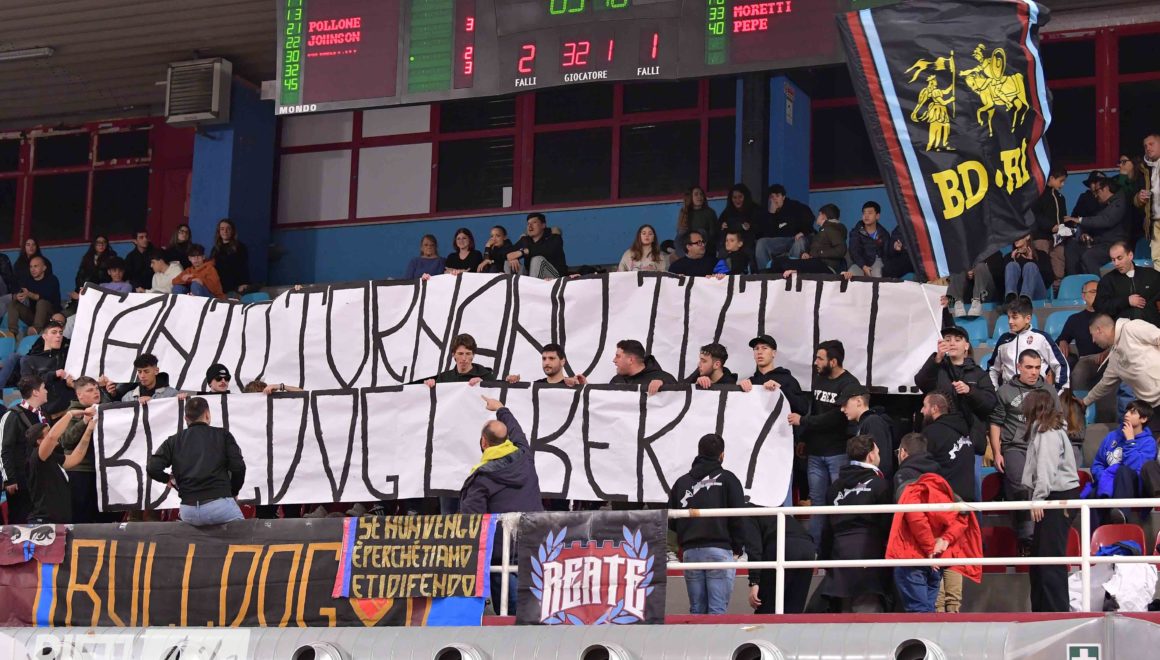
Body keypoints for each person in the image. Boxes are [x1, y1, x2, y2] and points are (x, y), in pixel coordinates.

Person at [460, 396, 543, 614]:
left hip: (501, 554)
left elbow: (471, 522)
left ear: (483, 443)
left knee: (510, 617)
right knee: (535, 610)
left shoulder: (481, 479)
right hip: (535, 545)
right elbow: (517, 432)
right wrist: (501, 408)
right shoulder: (525, 457)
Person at [668, 433, 755, 615]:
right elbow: (739, 518)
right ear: (722, 455)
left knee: (697, 611)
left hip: (691, 553)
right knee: (717, 611)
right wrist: (737, 548)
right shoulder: (729, 479)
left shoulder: (682, 482)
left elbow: (672, 522)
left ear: (699, 452)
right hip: (720, 550)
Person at [790, 339, 861, 542]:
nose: (816, 362)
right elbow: (814, 409)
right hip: (815, 453)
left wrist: (803, 421)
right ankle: (816, 549)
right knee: (817, 502)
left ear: (833, 361)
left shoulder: (849, 384)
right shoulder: (819, 379)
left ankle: (838, 546)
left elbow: (835, 418)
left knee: (839, 500)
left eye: (820, 358)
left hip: (837, 453)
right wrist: (804, 438)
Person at [886, 464, 982, 613]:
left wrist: (930, 548)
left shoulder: (911, 492)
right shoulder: (948, 495)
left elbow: (917, 520)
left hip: (914, 559)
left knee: (920, 612)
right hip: (936, 561)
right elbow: (963, 517)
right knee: (930, 612)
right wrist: (945, 539)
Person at [990, 350, 1060, 545]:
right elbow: (995, 423)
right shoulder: (1005, 391)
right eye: (1029, 367)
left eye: (1037, 367)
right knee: (1022, 485)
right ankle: (1026, 537)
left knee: (1045, 487)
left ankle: (1039, 537)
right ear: (1018, 367)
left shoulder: (1049, 391)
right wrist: (996, 453)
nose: (1034, 372)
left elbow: (1058, 421)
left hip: (1042, 447)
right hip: (1015, 447)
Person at [1020, 389, 1080, 612]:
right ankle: (1042, 610)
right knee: (1039, 559)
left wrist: (1039, 498)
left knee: (1049, 558)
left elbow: (1047, 467)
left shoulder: (1047, 432)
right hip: (1053, 496)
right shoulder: (1044, 429)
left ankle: (1056, 612)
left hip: (1057, 497)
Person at [818, 434, 893, 613]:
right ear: (871, 456)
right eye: (878, 452)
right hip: (869, 560)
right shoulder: (880, 485)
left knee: (843, 621)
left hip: (839, 562)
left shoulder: (834, 487)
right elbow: (887, 526)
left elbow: (826, 528)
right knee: (869, 621)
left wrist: (825, 559)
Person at [147, 396, 246, 526]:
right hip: (219, 506)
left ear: (186, 419)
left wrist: (167, 479)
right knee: (245, 535)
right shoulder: (223, 435)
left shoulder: (173, 441)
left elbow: (152, 468)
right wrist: (233, 492)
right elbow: (238, 467)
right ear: (207, 414)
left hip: (188, 511)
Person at [914, 324, 997, 457]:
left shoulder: (979, 374)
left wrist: (970, 391)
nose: (952, 343)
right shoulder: (937, 368)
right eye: (947, 339)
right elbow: (920, 382)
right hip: (939, 439)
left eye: (957, 340)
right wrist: (937, 358)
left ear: (966, 346)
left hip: (970, 440)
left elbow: (990, 404)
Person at [1081, 315, 1160, 437]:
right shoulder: (1114, 357)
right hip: (1149, 408)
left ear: (1099, 330)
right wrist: (1085, 401)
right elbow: (1104, 384)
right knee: (1149, 444)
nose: (1093, 340)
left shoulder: (1131, 328)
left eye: (1092, 335)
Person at [1088, 400, 1155, 525]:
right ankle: (1095, 534)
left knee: (1123, 471)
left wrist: (1130, 441)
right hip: (1110, 483)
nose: (1127, 414)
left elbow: (1137, 468)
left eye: (1132, 412)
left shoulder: (1148, 442)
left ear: (1143, 419)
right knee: (1093, 493)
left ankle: (1120, 516)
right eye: (1127, 411)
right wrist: (1104, 478)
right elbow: (1098, 464)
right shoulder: (1111, 436)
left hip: (1135, 488)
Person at [745, 501, 815, 614]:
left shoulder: (747, 511)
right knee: (794, 611)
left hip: (782, 546)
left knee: (766, 610)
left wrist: (754, 582)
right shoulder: (775, 505)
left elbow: (754, 548)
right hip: (807, 547)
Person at [45, 389, 101, 523]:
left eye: (97, 388)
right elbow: (60, 439)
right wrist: (74, 416)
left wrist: (88, 429)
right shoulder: (39, 457)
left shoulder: (55, 457)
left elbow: (76, 456)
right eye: (90, 390)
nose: (96, 392)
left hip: (97, 469)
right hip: (79, 473)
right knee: (80, 514)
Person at [988, 296, 1068, 389]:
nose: (1010, 321)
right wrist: (995, 390)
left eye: (1014, 317)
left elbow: (1060, 365)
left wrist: (1058, 391)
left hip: (1036, 391)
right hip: (1009, 393)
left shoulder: (1041, 338)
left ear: (1028, 319)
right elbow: (993, 369)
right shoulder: (1003, 340)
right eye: (1008, 317)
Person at [0, 376, 49, 525]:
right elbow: (4, 448)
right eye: (44, 388)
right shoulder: (12, 415)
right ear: (35, 392)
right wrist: (9, 479)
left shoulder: (43, 415)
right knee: (20, 521)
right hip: (21, 482)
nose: (47, 391)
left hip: (42, 478)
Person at [26, 415, 93, 524]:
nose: (53, 433)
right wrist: (70, 414)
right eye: (48, 432)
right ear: (39, 441)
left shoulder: (53, 456)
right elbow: (52, 437)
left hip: (60, 520)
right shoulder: (37, 458)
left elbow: (76, 457)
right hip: (44, 521)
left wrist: (89, 430)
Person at [1064, 177, 1128, 275]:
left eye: (1097, 191)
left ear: (1105, 188)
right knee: (1072, 246)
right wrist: (1086, 234)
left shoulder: (1119, 202)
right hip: (1099, 243)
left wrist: (1080, 220)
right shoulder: (1103, 204)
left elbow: (1105, 220)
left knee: (1089, 256)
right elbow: (1095, 222)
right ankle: (1076, 280)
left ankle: (1097, 283)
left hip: (1114, 244)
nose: (1095, 195)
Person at [921, 392, 976, 503]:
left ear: (934, 409)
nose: (921, 410)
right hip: (967, 498)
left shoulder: (931, 432)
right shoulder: (964, 429)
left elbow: (922, 465)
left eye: (924, 406)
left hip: (946, 499)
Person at [737, 335, 810, 414]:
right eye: (756, 348)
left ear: (773, 353)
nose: (759, 352)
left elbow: (803, 409)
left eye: (764, 348)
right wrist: (739, 389)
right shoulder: (751, 382)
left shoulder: (787, 379)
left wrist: (781, 389)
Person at [1095, 242, 1160, 327]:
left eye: (1119, 258)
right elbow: (1100, 306)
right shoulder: (1107, 280)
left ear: (1130, 255)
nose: (1116, 263)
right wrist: (1126, 301)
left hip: (1153, 327)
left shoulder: (1150, 275)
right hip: (1124, 329)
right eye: (1113, 260)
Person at [772, 204, 848, 276]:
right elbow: (822, 246)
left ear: (823, 216)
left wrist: (819, 253)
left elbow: (841, 250)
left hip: (825, 266)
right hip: (818, 264)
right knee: (779, 263)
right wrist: (808, 255)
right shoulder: (825, 230)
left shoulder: (832, 229)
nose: (817, 217)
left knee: (781, 263)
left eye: (819, 214)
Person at [20, 320, 74, 416]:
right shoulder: (29, 360)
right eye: (54, 332)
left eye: (60, 333)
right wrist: (53, 374)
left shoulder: (67, 355)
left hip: (71, 410)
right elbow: (27, 386)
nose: (58, 335)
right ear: (44, 336)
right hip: (46, 414)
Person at [840, 386, 895, 479]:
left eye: (845, 404)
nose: (842, 409)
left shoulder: (873, 422)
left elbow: (882, 460)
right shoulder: (866, 422)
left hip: (874, 483)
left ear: (859, 401)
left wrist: (876, 483)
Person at [1058, 280, 1103, 390]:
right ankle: (1077, 399)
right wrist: (1062, 341)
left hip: (1109, 357)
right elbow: (1062, 338)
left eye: (1099, 291)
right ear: (1083, 296)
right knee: (1079, 372)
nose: (1097, 295)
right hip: (1086, 360)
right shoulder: (1075, 319)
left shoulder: (1110, 315)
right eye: (1093, 292)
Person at [755, 184, 812, 268]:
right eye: (772, 197)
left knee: (800, 242)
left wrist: (803, 232)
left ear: (783, 197)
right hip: (780, 241)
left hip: (795, 238)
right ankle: (765, 272)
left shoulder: (794, 206)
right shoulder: (767, 213)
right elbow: (767, 234)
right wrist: (771, 215)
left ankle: (792, 271)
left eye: (777, 196)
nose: (775, 199)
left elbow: (810, 217)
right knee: (761, 243)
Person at [1031, 166, 1068, 290]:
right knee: (1042, 263)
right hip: (1041, 236)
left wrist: (1065, 228)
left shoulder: (1061, 198)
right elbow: (1035, 215)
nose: (1062, 184)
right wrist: (1051, 226)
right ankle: (1043, 291)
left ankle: (1057, 289)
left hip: (1058, 238)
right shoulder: (1038, 195)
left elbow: (1063, 217)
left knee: (1059, 260)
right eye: (1061, 181)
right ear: (1051, 178)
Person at [9, 256, 61, 336]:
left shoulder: (52, 279)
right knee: (14, 304)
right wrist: (18, 296)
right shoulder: (28, 280)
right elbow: (21, 293)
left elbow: (45, 297)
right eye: (31, 267)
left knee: (41, 302)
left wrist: (29, 294)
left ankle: (36, 330)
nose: (32, 269)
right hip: (34, 316)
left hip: (51, 317)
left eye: (36, 266)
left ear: (44, 268)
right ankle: (12, 333)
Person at [507, 213, 568, 278]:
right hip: (531, 275)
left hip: (555, 277)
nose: (530, 226)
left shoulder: (554, 237)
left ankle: (532, 284)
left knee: (537, 259)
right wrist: (513, 258)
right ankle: (510, 284)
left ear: (543, 225)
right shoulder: (525, 239)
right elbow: (507, 252)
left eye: (534, 222)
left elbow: (547, 250)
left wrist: (524, 251)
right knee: (508, 261)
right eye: (528, 224)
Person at [421, 334, 495, 387]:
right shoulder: (443, 378)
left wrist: (484, 385)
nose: (464, 358)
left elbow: (496, 400)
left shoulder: (487, 377)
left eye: (468, 354)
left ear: (473, 355)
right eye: (460, 353)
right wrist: (430, 387)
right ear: (453, 354)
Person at [608, 339, 676, 394]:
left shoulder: (664, 378)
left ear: (630, 360)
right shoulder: (616, 381)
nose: (614, 360)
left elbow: (677, 400)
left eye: (618, 356)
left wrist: (665, 385)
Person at [68, 235, 115, 307]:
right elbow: (79, 277)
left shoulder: (111, 258)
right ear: (94, 244)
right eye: (98, 242)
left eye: (104, 242)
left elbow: (107, 279)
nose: (101, 245)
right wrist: (80, 291)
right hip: (84, 290)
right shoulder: (87, 258)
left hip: (102, 292)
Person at [1135, 133, 1160, 269]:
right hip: (1154, 224)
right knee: (1157, 261)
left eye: (1151, 144)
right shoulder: (1143, 170)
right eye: (1145, 146)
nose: (1148, 148)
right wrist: (1139, 198)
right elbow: (1134, 199)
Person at [1003, 234, 1051, 301]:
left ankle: (1025, 299)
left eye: (1018, 234)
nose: (1015, 237)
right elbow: (1003, 283)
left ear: (1027, 236)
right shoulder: (1008, 257)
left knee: (1030, 266)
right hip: (1016, 296)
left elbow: (1048, 280)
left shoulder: (1041, 255)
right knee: (1011, 265)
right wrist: (1012, 260)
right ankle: (1011, 299)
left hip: (1037, 294)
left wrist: (1032, 261)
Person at [847, 202, 888, 278]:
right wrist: (863, 266)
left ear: (877, 216)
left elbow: (886, 254)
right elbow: (854, 251)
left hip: (877, 262)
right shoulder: (856, 231)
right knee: (850, 276)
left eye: (870, 213)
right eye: (864, 213)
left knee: (878, 276)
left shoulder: (883, 234)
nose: (866, 216)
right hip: (859, 263)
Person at [210, 219, 251, 294]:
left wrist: (244, 283)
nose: (225, 231)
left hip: (235, 287)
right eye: (222, 229)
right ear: (219, 231)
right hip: (218, 287)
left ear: (232, 231)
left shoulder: (240, 247)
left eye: (228, 229)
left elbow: (243, 267)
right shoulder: (215, 249)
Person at [675, 186, 718, 255]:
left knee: (701, 231)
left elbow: (713, 234)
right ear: (690, 197)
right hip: (689, 245)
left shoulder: (710, 212)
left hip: (704, 244)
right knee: (681, 233)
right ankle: (684, 255)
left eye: (701, 194)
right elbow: (680, 234)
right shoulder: (684, 212)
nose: (699, 197)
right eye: (696, 194)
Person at [718, 183, 761, 251]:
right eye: (734, 197)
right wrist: (722, 225)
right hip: (731, 245)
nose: (737, 200)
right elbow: (719, 225)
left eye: (740, 197)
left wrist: (750, 226)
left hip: (748, 244)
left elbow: (760, 228)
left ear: (745, 197)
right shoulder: (728, 211)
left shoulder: (755, 209)